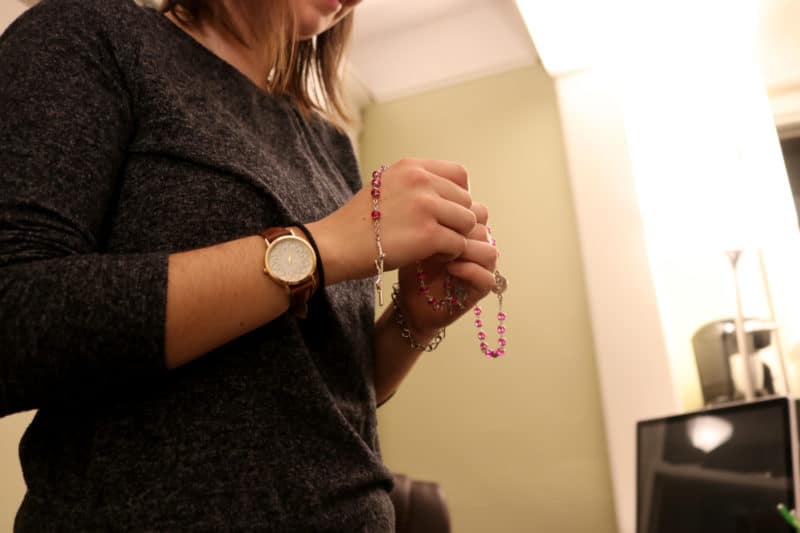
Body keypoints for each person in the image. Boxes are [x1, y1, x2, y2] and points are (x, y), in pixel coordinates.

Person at [0, 0, 498, 530]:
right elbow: (14, 317)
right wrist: (321, 246)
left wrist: (412, 321)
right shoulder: (94, 34)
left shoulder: (329, 143)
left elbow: (319, 399)